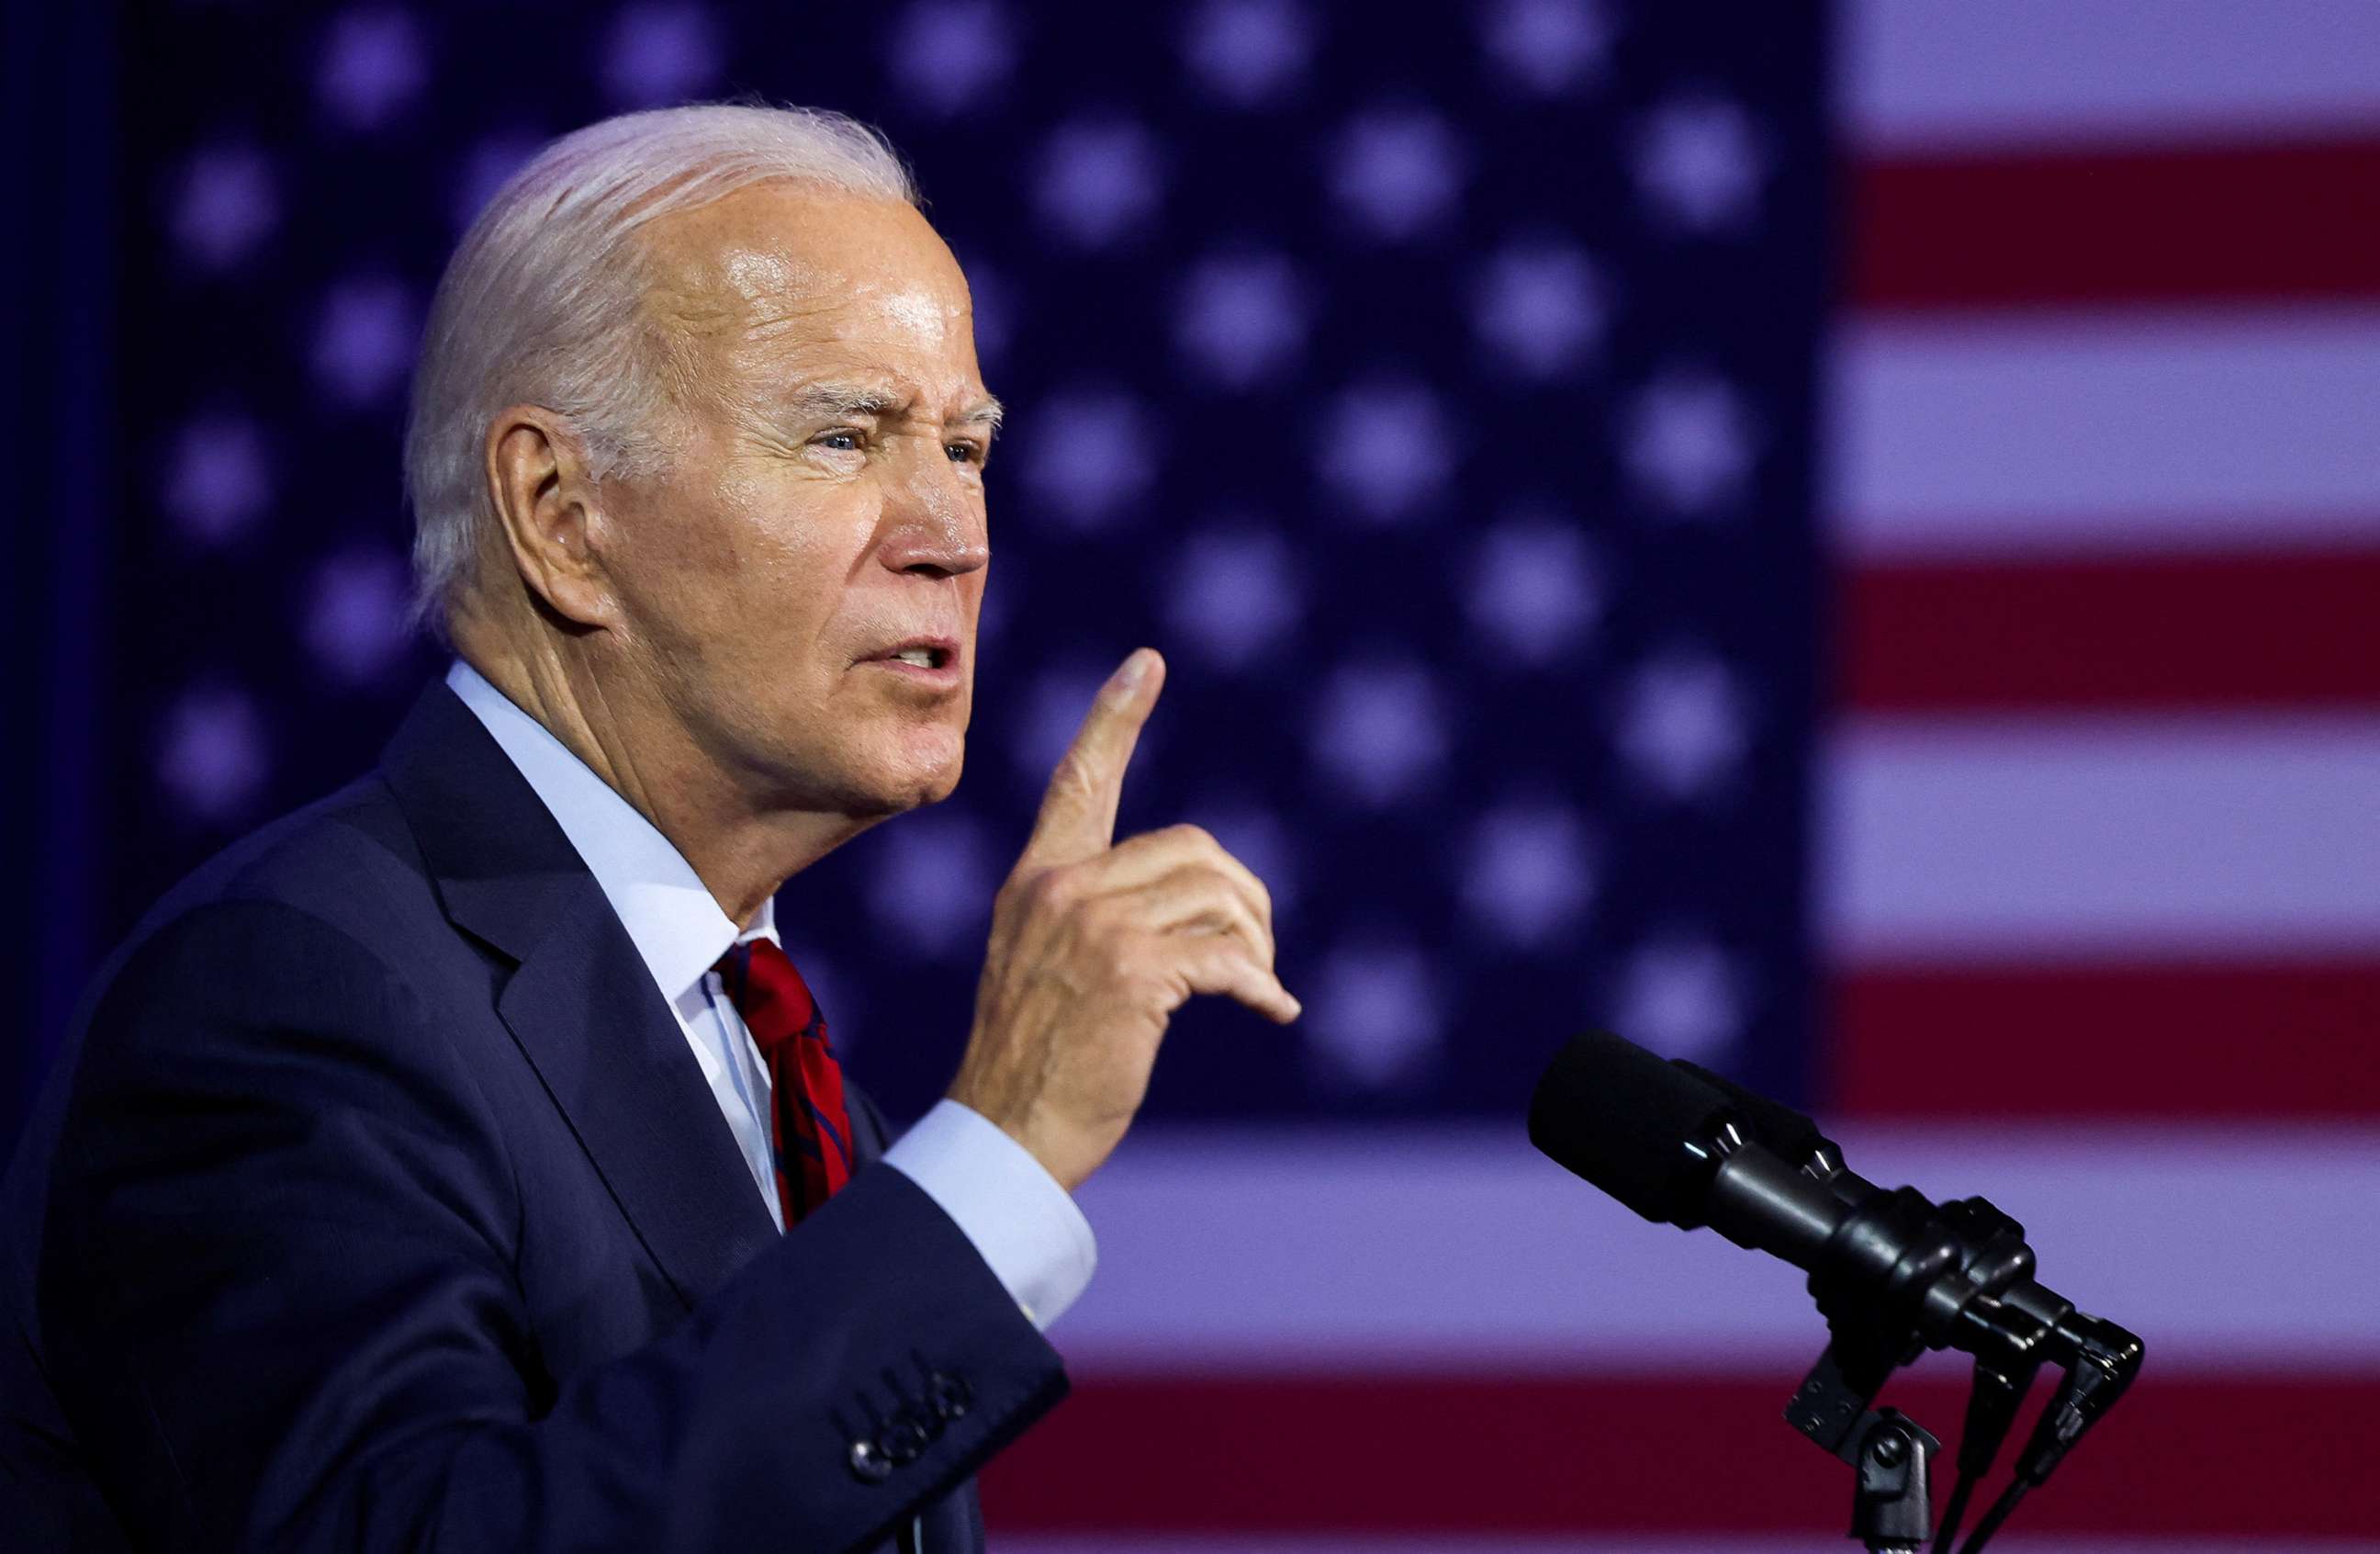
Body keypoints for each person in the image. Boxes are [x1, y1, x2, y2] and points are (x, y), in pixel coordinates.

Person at [0, 103, 1297, 1553]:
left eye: (968, 444)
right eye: (841, 435)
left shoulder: (787, 1077)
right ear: (559, 514)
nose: (953, 530)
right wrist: (996, 1153)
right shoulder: (285, 997)